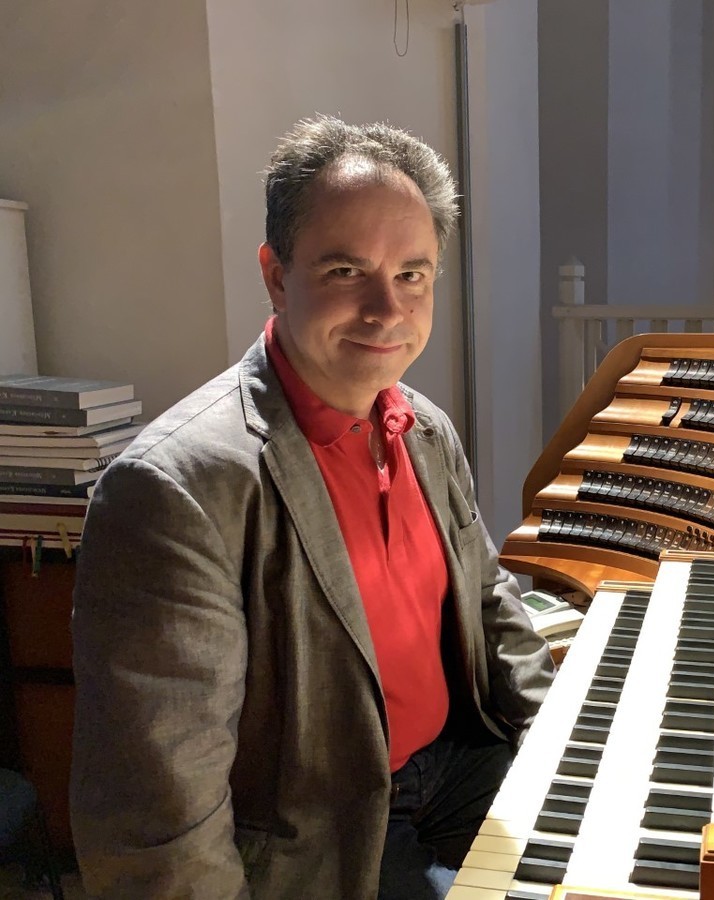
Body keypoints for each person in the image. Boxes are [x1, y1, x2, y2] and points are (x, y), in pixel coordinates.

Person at [69, 115, 555, 900]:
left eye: (412, 275)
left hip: (464, 767)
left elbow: (486, 594)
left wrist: (561, 737)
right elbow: (158, 817)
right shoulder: (171, 491)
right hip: (330, 829)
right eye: (343, 271)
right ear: (275, 273)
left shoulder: (426, 428)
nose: (386, 310)